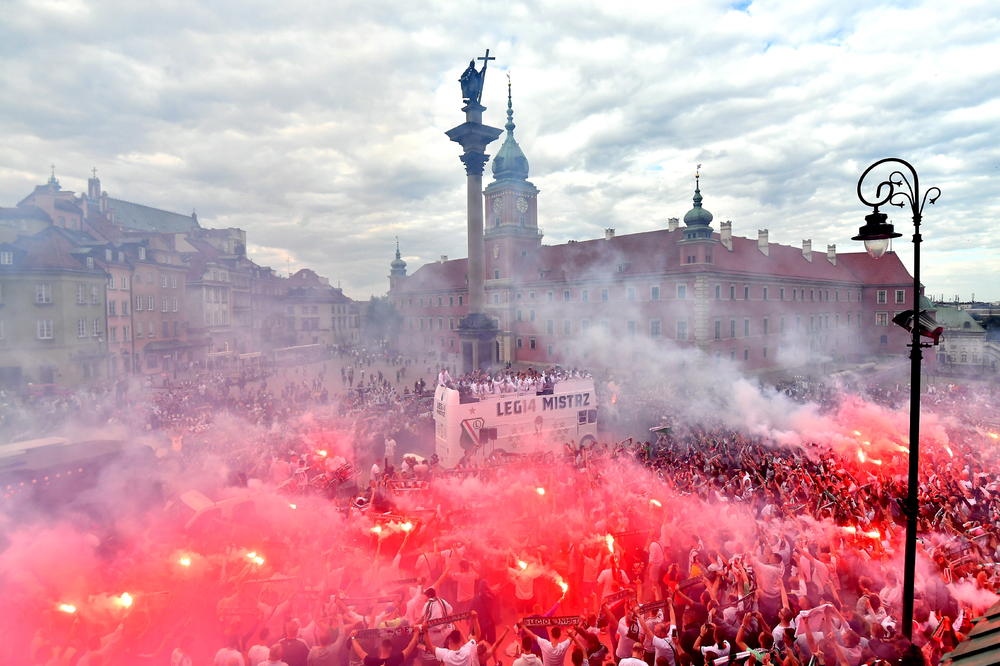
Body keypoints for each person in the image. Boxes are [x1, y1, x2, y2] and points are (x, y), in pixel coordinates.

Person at [350, 624, 421, 666]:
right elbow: (410, 648)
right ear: (391, 649)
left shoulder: (372, 661)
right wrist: (416, 633)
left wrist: (353, 637)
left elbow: (359, 651)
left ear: (380, 649)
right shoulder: (395, 660)